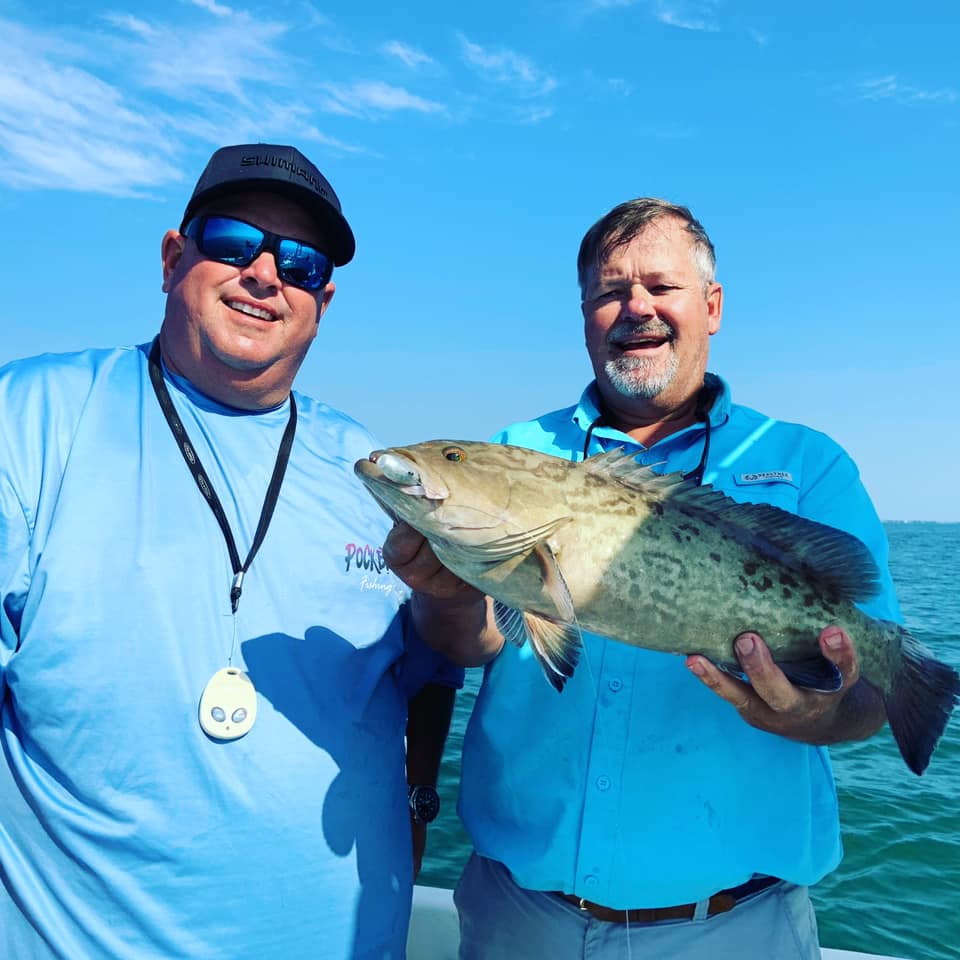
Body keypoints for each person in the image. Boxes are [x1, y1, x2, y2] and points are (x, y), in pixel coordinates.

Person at [387, 198, 902, 959]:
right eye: (609, 291)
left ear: (712, 306)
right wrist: (450, 598)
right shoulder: (517, 449)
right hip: (517, 917)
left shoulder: (806, 463)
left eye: (661, 286)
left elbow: (871, 694)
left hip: (734, 928)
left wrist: (813, 716)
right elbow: (471, 642)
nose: (637, 309)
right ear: (585, 315)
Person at [0, 143, 460, 959]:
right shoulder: (30, 420)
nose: (264, 273)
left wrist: (419, 797)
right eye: (231, 241)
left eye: (300, 261)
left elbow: (432, 673)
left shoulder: (372, 468)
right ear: (175, 256)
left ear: (323, 297)